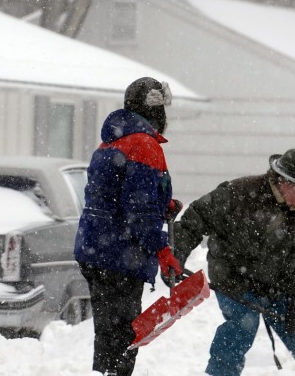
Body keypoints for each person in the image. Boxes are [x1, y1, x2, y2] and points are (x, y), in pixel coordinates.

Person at [172, 148, 295, 376]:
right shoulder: (238, 194)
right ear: (283, 182)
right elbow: (195, 219)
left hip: (279, 285)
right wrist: (176, 255)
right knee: (242, 326)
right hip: (234, 277)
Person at [73, 77, 183, 376]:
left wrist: (163, 205)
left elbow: (115, 198)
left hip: (95, 250)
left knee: (107, 337)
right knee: (122, 342)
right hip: (119, 255)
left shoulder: (110, 142)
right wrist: (163, 251)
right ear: (157, 111)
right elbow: (139, 215)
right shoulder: (145, 145)